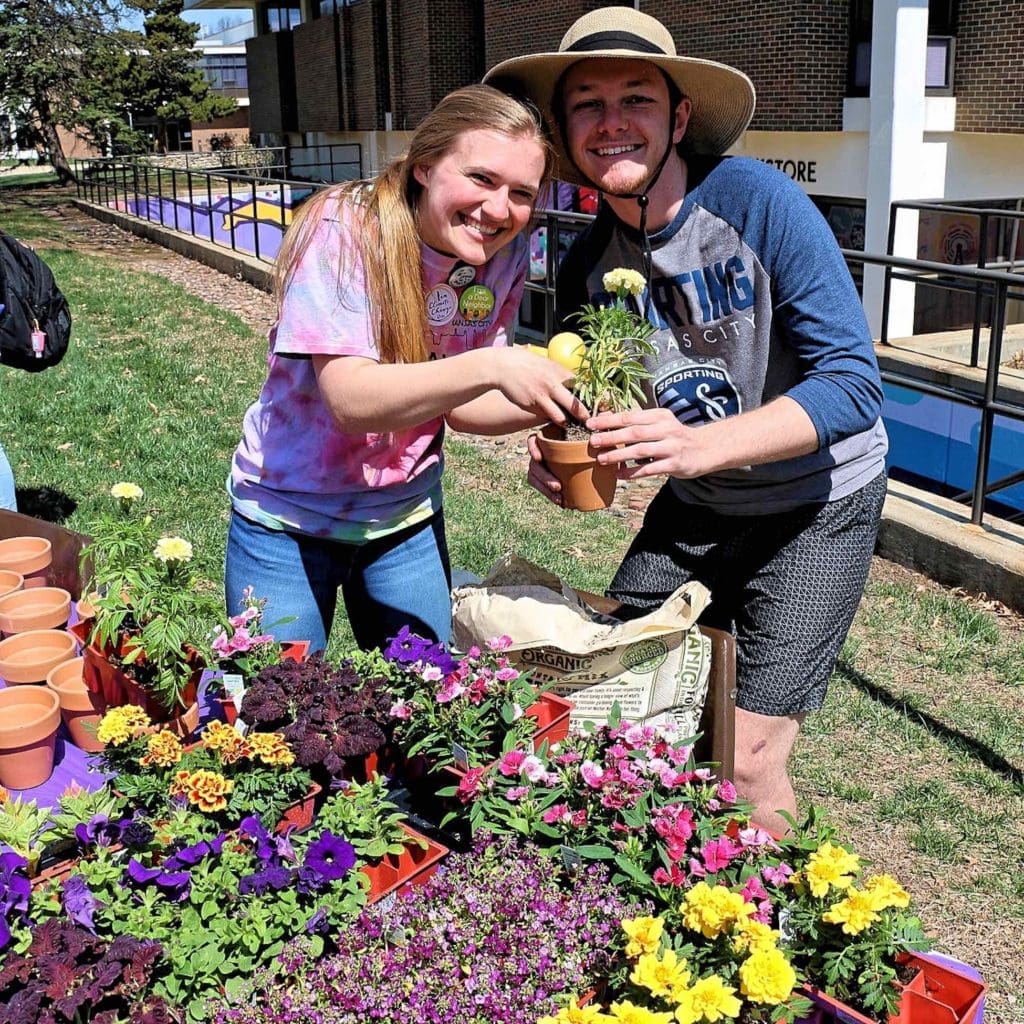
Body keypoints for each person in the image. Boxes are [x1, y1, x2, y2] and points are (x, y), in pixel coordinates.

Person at [485, 7, 888, 834]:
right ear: (566, 133)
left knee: (746, 757)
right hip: (701, 507)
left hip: (818, 505)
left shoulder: (759, 202)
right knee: (616, 691)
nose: (613, 122)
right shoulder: (587, 260)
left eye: (636, 97)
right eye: (587, 104)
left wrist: (697, 446)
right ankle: (658, 886)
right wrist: (571, 456)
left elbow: (853, 385)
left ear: (679, 118)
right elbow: (611, 396)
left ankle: (765, 934)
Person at [225, 85, 580, 653]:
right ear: (425, 166)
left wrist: (561, 403)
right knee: (276, 708)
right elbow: (350, 400)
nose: (497, 209)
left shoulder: (503, 254)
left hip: (406, 515)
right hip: (285, 517)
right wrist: (493, 365)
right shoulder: (344, 226)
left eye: (521, 193)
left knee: (426, 716)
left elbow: (462, 406)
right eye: (481, 179)